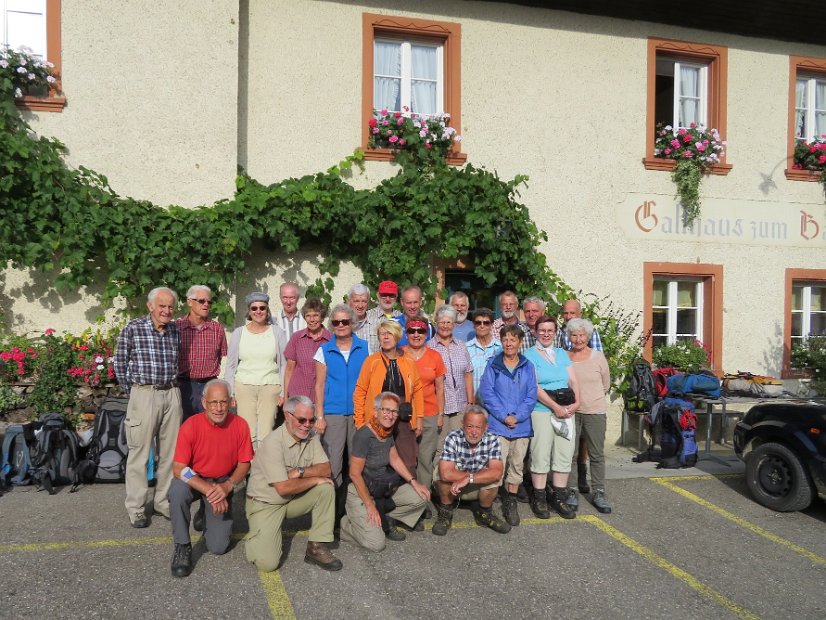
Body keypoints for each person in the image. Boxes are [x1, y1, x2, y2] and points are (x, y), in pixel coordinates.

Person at [245, 395, 342, 572]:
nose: (307, 424)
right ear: (288, 416)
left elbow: (326, 469)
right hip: (266, 504)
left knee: (326, 487)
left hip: (291, 500)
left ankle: (316, 548)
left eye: (311, 420)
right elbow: (282, 488)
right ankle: (255, 538)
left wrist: (301, 472)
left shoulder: (310, 436)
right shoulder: (273, 442)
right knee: (268, 564)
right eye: (302, 419)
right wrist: (314, 478)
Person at [168, 379, 253, 577]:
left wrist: (227, 486)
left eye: (223, 402)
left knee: (218, 546)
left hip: (223, 481)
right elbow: (179, 468)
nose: (218, 408)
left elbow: (244, 464)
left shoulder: (240, 425)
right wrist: (209, 490)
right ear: (204, 402)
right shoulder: (190, 426)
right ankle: (182, 546)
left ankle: (205, 512)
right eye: (213, 402)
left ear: (231, 402)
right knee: (177, 490)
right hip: (196, 479)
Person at [114, 286, 182, 528]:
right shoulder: (133, 328)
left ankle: (163, 501)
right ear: (150, 306)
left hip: (171, 393)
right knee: (140, 454)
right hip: (144, 394)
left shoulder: (174, 330)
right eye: (161, 306)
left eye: (170, 306)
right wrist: (133, 391)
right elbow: (120, 362)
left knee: (170, 454)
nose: (166, 310)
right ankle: (136, 507)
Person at [340, 392, 430, 550]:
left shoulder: (387, 431)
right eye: (386, 410)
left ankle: (384, 518)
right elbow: (354, 473)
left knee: (421, 497)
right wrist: (369, 504)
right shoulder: (364, 435)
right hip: (362, 491)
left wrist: (414, 482)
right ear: (375, 411)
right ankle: (345, 524)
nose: (391, 415)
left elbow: (394, 459)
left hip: (381, 488)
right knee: (376, 544)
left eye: (394, 411)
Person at [478, 324, 537, 527]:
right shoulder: (493, 364)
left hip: (521, 426)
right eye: (505, 339)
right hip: (498, 425)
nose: (509, 343)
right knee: (496, 466)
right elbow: (487, 393)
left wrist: (518, 416)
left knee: (517, 465)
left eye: (513, 339)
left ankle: (510, 502)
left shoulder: (527, 366)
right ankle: (488, 504)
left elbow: (531, 395)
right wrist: (504, 416)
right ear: (501, 341)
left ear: (520, 343)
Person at [523, 315, 581, 520]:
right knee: (541, 452)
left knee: (564, 452)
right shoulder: (529, 355)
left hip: (566, 411)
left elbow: (573, 380)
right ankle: (539, 497)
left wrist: (577, 403)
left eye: (550, 330)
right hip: (542, 410)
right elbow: (534, 386)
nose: (546, 334)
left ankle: (559, 496)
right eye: (542, 330)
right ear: (535, 332)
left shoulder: (562, 354)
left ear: (555, 332)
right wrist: (555, 406)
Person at [353, 319, 423, 476]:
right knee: (377, 461)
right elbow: (360, 391)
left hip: (403, 418)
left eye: (389, 333)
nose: (385, 337)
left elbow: (418, 389)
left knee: (409, 460)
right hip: (378, 418)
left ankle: (408, 495)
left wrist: (419, 418)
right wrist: (360, 421)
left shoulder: (408, 361)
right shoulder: (372, 361)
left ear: (397, 336)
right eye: (381, 334)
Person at [432, 406, 511, 536]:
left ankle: (484, 512)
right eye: (469, 426)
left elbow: (496, 472)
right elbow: (446, 473)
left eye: (478, 427)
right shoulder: (452, 437)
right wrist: (473, 476)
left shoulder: (493, 440)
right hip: (455, 488)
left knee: (495, 476)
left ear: (486, 427)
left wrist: (469, 478)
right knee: (439, 473)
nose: (473, 432)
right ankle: (445, 511)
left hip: (475, 486)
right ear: (463, 425)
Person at [313, 304, 369, 487]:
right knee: (333, 463)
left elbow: (370, 384)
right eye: (336, 322)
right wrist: (319, 416)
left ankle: (356, 507)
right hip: (333, 413)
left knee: (358, 463)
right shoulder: (324, 350)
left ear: (352, 323)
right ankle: (332, 510)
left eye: (345, 321)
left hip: (358, 413)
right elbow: (319, 385)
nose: (341, 325)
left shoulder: (366, 349)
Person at [225, 292, 288, 449]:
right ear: (249, 311)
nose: (258, 311)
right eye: (254, 308)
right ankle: (250, 469)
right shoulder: (239, 333)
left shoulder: (277, 332)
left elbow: (283, 365)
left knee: (266, 432)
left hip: (270, 387)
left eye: (262, 308)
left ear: (267, 311)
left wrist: (283, 392)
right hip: (244, 387)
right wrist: (230, 392)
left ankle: (263, 469)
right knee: (247, 431)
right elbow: (231, 365)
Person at [554, 298, 603, 492]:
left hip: (589, 400)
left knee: (586, 445)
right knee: (569, 445)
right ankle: (570, 484)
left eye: (572, 313)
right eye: (565, 313)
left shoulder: (590, 333)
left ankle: (584, 479)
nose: (568, 316)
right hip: (566, 398)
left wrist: (590, 393)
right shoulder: (560, 334)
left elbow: (598, 367)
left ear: (579, 313)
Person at [565, 318, 612, 513]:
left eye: (581, 335)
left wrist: (590, 399)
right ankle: (572, 490)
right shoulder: (564, 357)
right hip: (571, 413)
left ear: (588, 336)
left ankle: (599, 492)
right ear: (569, 337)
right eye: (574, 335)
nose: (578, 339)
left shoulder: (598, 357)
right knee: (571, 455)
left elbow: (605, 384)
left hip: (594, 412)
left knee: (596, 454)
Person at [401, 315, 446, 495]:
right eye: (412, 331)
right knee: (406, 458)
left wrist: (441, 414)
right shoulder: (399, 354)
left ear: (426, 333)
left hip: (429, 413)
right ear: (406, 333)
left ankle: (423, 498)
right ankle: (407, 497)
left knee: (426, 459)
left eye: (420, 331)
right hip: (405, 415)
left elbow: (440, 388)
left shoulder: (435, 356)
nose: (416, 334)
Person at [176, 285, 228, 422]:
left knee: (210, 427)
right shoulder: (177, 328)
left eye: (209, 302)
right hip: (184, 385)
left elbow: (221, 357)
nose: (206, 305)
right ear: (189, 302)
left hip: (209, 384)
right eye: (201, 301)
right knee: (184, 427)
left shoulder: (217, 328)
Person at [428, 305, 474, 452]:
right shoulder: (429, 347)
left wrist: (470, 402)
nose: (445, 326)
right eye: (442, 322)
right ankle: (437, 475)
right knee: (439, 448)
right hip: (439, 407)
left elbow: (468, 374)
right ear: (436, 323)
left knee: (459, 446)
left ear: (454, 325)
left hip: (460, 406)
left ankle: (458, 474)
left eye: (449, 323)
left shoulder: (461, 346)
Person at [283, 298, 330, 401]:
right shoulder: (297, 338)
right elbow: (289, 369)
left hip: (321, 398)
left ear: (322, 317)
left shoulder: (331, 340)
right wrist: (286, 397)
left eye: (315, 315)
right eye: (308, 316)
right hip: (297, 396)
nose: (312, 319)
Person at [465, 307, 502, 402]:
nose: (482, 326)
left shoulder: (501, 348)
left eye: (486, 323)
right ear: (473, 325)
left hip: (496, 403)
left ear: (492, 325)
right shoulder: (465, 349)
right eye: (478, 323)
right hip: (473, 402)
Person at [362, 280, 402, 354]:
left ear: (396, 297)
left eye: (391, 295)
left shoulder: (401, 318)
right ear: (378, 295)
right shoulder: (367, 317)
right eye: (384, 295)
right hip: (372, 363)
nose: (387, 299)